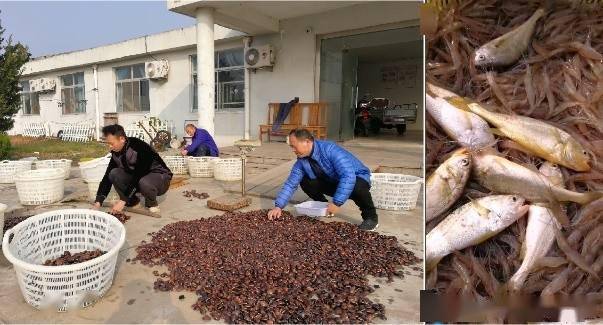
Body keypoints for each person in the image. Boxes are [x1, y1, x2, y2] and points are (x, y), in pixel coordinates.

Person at [267, 128, 379, 230]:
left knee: (357, 187)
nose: (293, 149)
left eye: (293, 146)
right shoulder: (301, 161)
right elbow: (290, 184)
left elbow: (348, 176)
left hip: (357, 177)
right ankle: (324, 207)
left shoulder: (330, 150)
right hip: (333, 181)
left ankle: (371, 218)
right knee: (306, 181)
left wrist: (336, 203)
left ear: (306, 142)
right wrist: (278, 207)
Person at [93, 124, 173, 214]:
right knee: (113, 173)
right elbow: (107, 178)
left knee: (144, 182)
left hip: (160, 178)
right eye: (108, 144)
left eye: (112, 143)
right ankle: (133, 201)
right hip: (139, 178)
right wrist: (98, 202)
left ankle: (152, 203)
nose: (110, 147)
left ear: (122, 139)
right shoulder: (116, 152)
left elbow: (138, 174)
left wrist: (122, 200)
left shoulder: (139, 147)